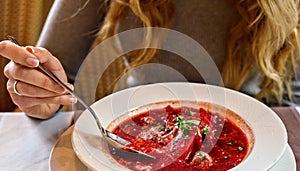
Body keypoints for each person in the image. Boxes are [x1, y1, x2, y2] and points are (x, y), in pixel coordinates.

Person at [1, 0, 300, 119]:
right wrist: (43, 95)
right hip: (131, 129)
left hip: (251, 144)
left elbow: (294, 101)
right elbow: (56, 75)